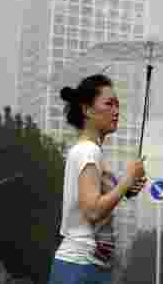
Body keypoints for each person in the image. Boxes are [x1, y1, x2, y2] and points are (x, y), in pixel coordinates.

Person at [48, 75, 147, 284]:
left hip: (90, 265)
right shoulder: (88, 151)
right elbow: (92, 210)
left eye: (118, 105)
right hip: (79, 267)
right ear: (87, 110)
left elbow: (100, 199)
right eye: (109, 104)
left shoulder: (91, 151)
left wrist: (127, 189)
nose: (116, 111)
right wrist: (126, 182)